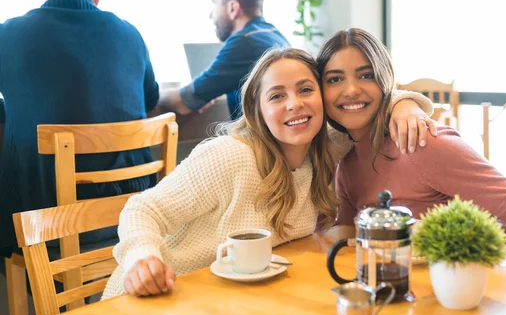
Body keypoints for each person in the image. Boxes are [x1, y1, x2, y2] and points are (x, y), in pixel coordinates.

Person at [102, 47, 435, 299]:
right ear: (258, 110)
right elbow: (143, 209)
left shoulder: (325, 149)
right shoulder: (228, 157)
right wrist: (142, 258)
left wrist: (404, 104)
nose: (294, 104)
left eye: (306, 89)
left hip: (219, 306)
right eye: (277, 96)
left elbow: (364, 104)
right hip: (152, 298)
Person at [318, 28, 506, 267]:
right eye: (334, 79)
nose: (351, 89)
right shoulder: (348, 162)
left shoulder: (421, 142)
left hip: (499, 262)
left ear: (386, 82)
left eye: (366, 75)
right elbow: (345, 234)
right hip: (424, 276)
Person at [0, 0, 159, 257]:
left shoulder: (8, 35)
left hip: (50, 223)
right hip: (133, 215)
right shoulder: (131, 35)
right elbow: (150, 99)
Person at [158, 0, 290, 120]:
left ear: (232, 8)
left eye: (215, 3)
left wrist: (155, 94)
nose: (211, 15)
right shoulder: (274, 33)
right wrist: (211, 90)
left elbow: (183, 102)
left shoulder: (243, 42)